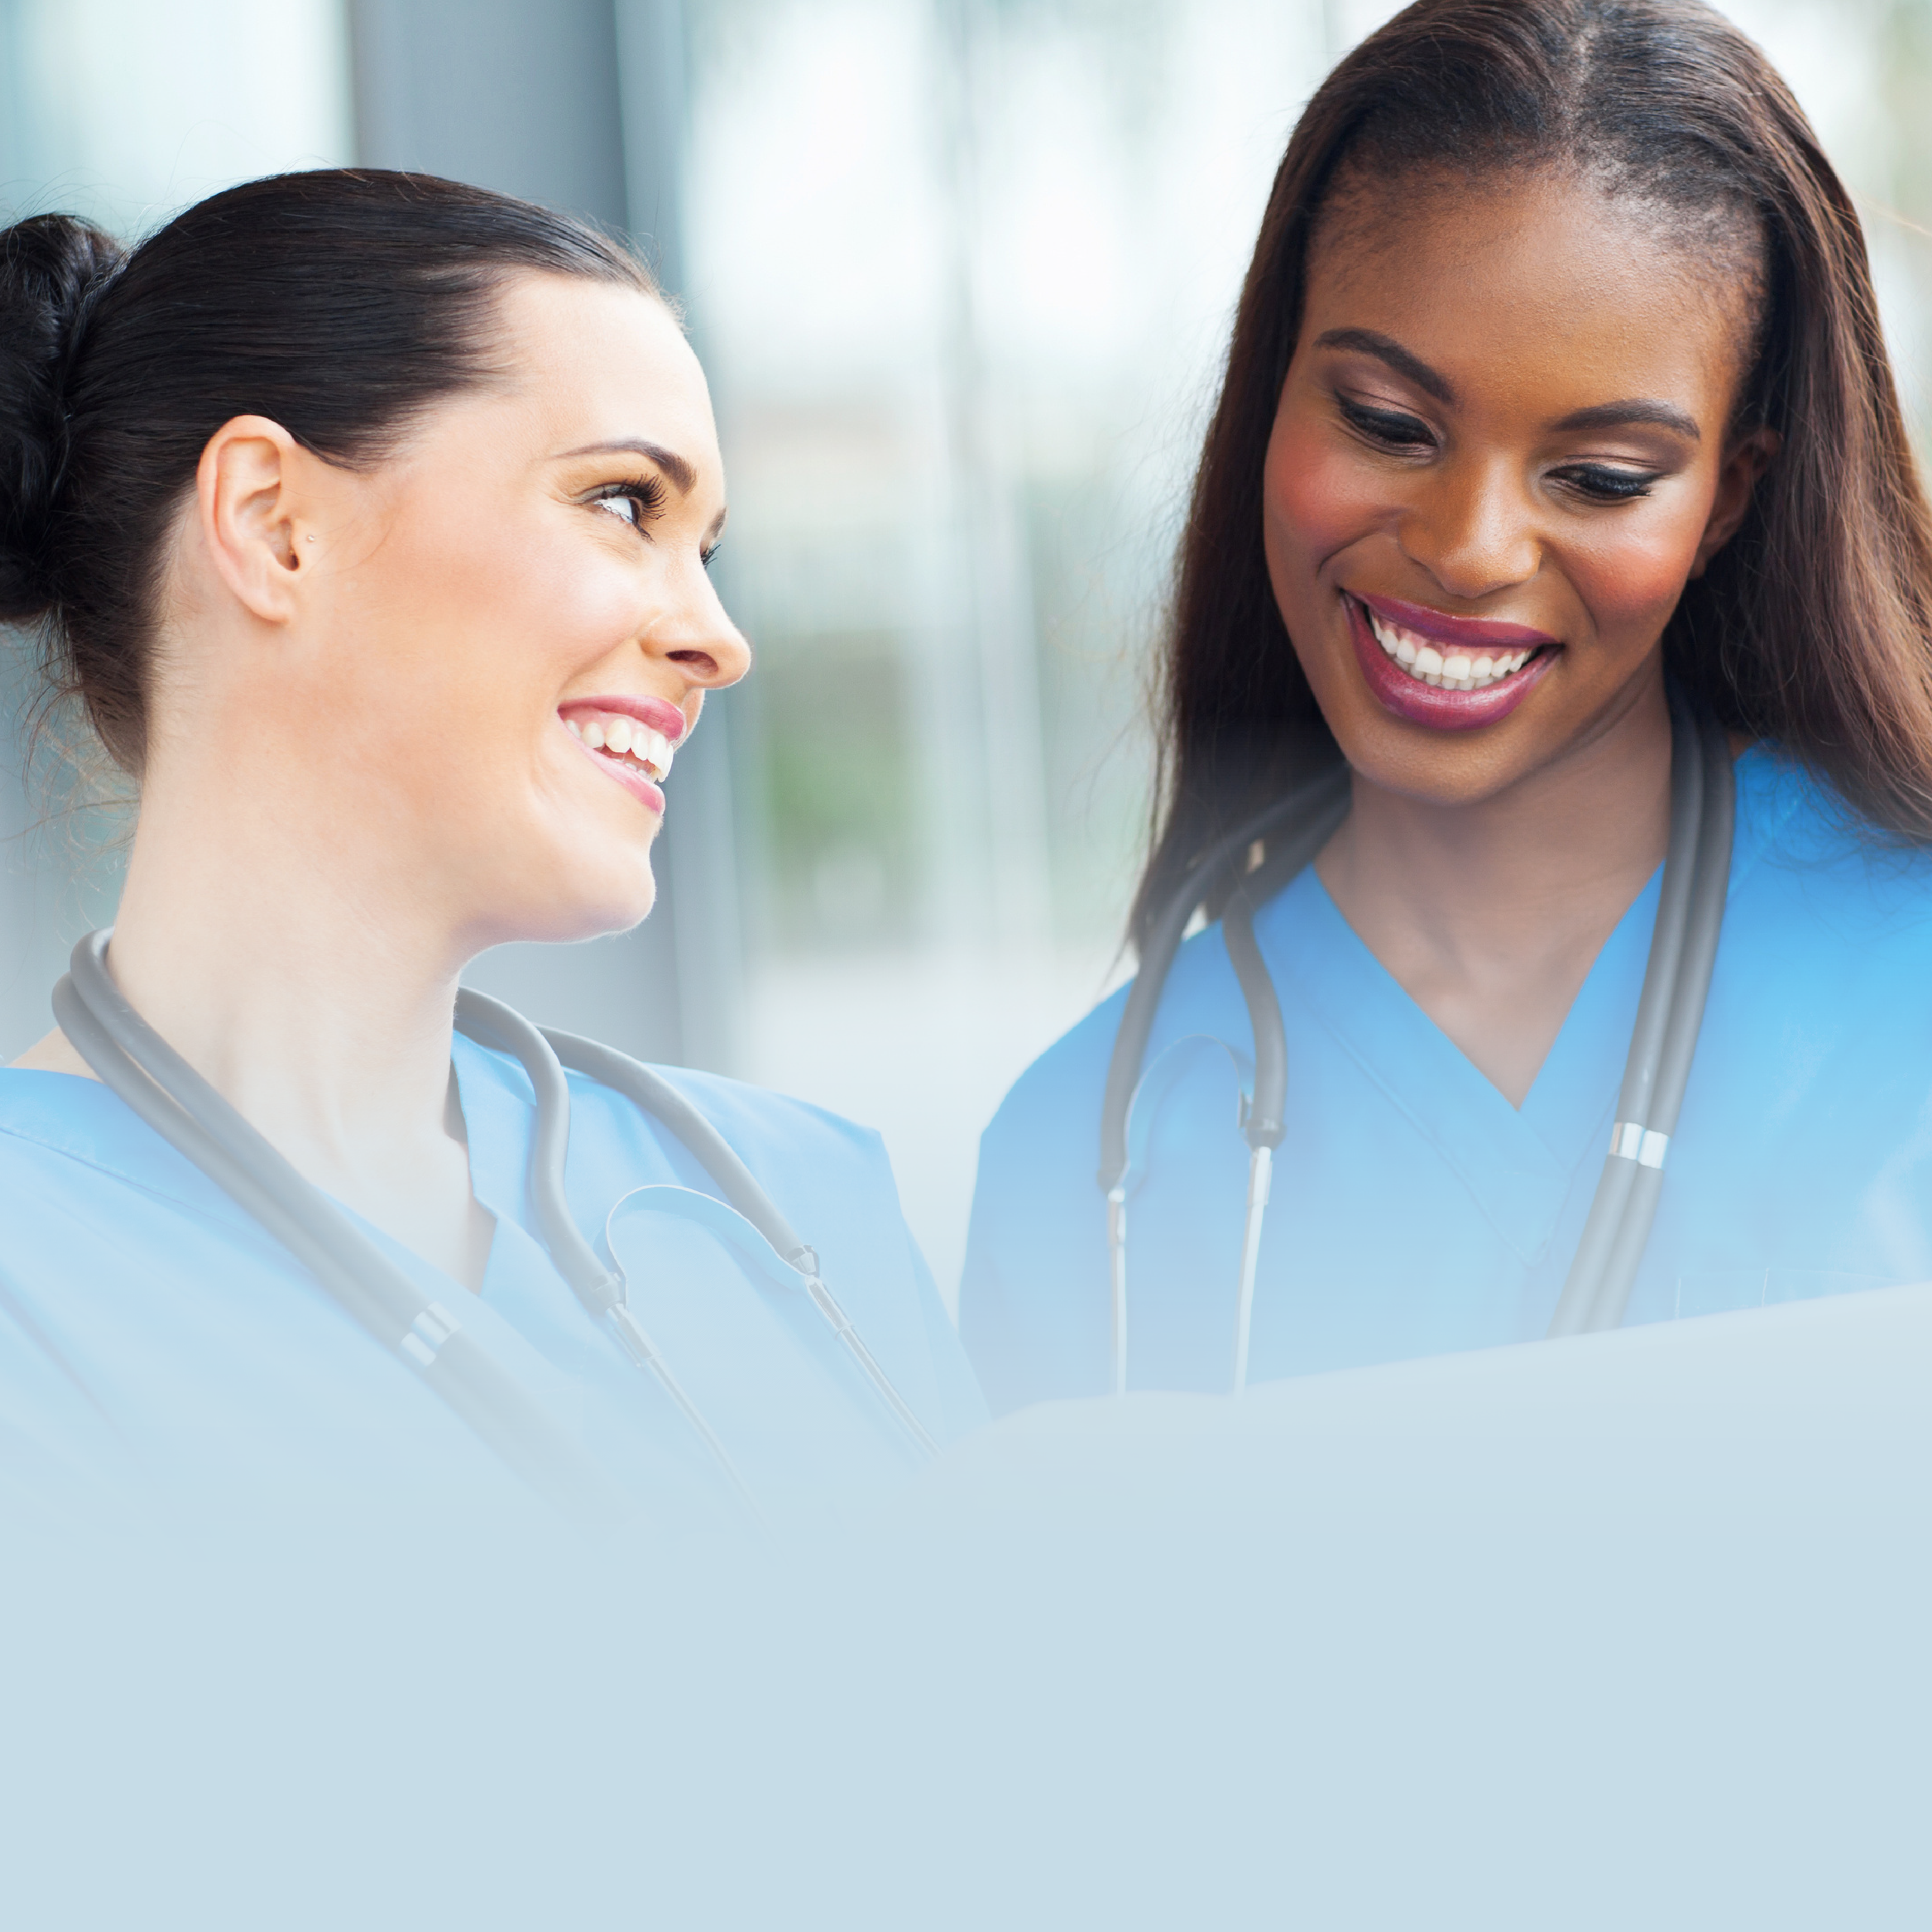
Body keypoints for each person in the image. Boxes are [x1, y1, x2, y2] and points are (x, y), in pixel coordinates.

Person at [959, 0, 1932, 1413]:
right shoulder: (1078, 1161)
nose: (1469, 549)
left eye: (1598, 477)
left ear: (1728, 495)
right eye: (1385, 424)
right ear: (1270, 394)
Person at [0, 170, 984, 1525]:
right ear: (273, 527)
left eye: (707, 546)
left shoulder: (794, 1197)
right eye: (625, 503)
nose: (718, 636)